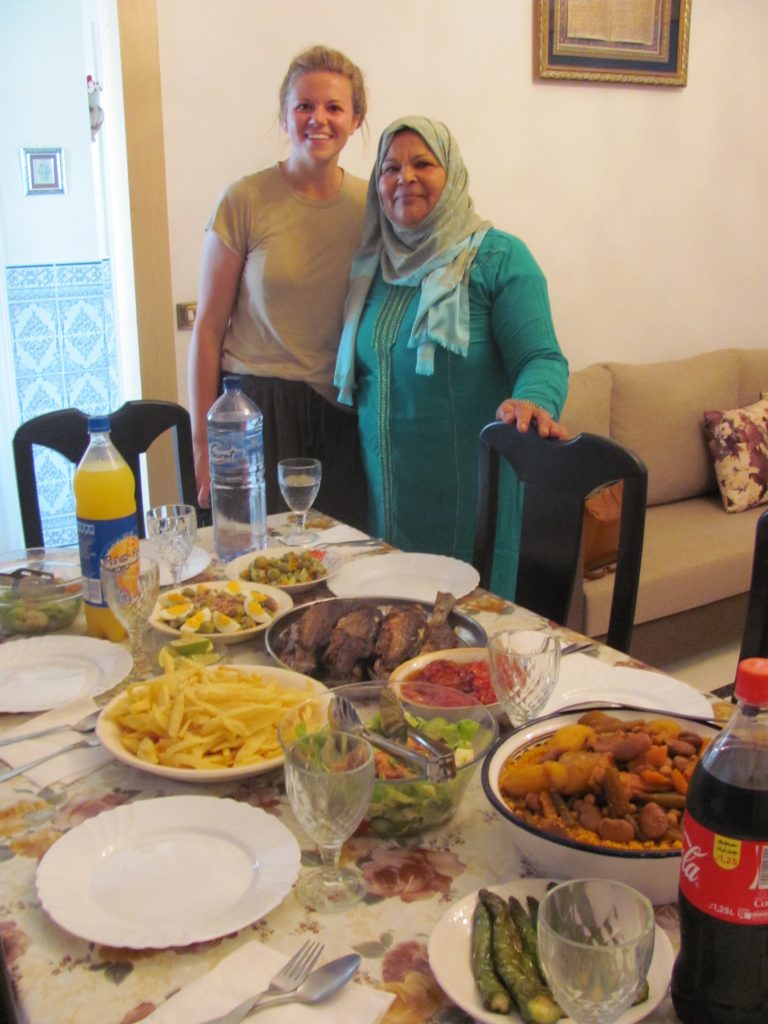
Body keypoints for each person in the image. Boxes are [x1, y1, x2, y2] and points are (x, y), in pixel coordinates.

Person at [335, 116, 569, 598]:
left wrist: (532, 401)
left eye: (423, 163)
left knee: (463, 649)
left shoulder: (499, 258)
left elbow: (543, 358)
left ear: (454, 174)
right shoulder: (372, 268)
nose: (405, 177)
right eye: (390, 167)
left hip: (471, 504)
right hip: (386, 503)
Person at [188, 45, 368, 529]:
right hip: (254, 412)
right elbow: (207, 330)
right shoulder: (243, 199)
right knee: (254, 568)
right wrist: (203, 444)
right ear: (285, 116)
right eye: (304, 106)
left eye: (334, 107)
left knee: (339, 569)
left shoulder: (373, 206)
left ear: (356, 119)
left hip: (340, 413)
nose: (318, 119)